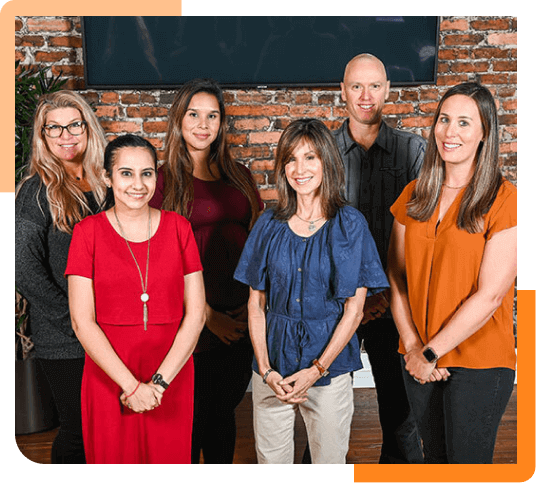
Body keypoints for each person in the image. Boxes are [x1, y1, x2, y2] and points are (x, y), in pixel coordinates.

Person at [234, 118, 389, 464]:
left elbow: (354, 310)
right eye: (290, 158)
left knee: (329, 458)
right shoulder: (268, 224)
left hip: (329, 368)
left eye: (310, 158)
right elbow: (256, 305)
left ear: (327, 163)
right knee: (270, 459)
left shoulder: (350, 224)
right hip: (273, 367)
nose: (299, 169)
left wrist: (317, 369)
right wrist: (266, 368)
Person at [388, 82, 517, 464]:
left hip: (478, 361)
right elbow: (396, 279)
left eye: (464, 122)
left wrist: (431, 351)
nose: (450, 132)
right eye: (444, 120)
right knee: (435, 463)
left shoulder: (504, 198)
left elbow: (491, 294)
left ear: (484, 134)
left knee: (466, 466)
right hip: (418, 359)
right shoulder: (414, 194)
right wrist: (413, 347)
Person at [65, 134, 205, 464]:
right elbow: (81, 321)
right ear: (107, 177)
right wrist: (132, 387)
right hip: (110, 374)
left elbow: (196, 313)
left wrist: (157, 384)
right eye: (126, 173)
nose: (137, 184)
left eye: (147, 173)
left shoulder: (179, 227)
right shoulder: (87, 232)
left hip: (170, 374)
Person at [149, 78, 263, 464]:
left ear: (221, 123)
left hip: (239, 323)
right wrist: (206, 318)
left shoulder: (240, 177)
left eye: (212, 115)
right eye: (194, 114)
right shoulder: (162, 182)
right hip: (190, 327)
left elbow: (258, 247)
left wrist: (251, 308)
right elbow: (154, 264)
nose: (203, 124)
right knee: (191, 422)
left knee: (222, 417)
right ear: (179, 120)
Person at [332, 53, 425, 463]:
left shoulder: (415, 151)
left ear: (388, 90)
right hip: (335, 305)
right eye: (356, 86)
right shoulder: (323, 151)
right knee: (326, 414)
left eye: (374, 86)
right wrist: (354, 298)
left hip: (395, 304)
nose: (365, 96)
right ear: (343, 92)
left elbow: (423, 236)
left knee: (399, 418)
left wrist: (383, 296)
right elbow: (313, 230)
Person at [15, 90, 107, 464]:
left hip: (114, 329)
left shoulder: (109, 184)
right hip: (65, 336)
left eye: (74, 126)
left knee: (107, 426)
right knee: (78, 430)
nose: (66, 136)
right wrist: (75, 320)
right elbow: (23, 267)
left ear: (88, 128)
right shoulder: (36, 191)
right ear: (43, 136)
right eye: (55, 128)